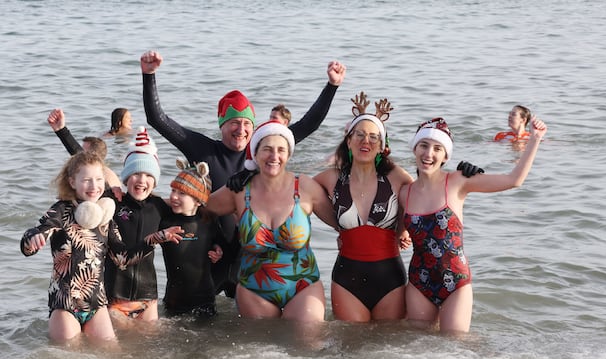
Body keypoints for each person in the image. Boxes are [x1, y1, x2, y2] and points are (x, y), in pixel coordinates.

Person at [140, 49, 346, 296]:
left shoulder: (263, 153)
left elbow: (307, 125)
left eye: (247, 123)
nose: (241, 129)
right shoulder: (202, 148)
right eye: (234, 123)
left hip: (248, 255)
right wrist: (149, 75)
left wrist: (332, 86)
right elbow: (157, 119)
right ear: (221, 125)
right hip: (210, 254)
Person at [399, 115, 548, 333]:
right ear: (414, 149)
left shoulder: (459, 181)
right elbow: (397, 228)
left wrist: (535, 139)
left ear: (445, 156)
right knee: (418, 348)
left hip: (456, 282)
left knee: (458, 349)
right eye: (423, 145)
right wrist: (400, 236)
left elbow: (513, 180)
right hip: (418, 282)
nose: (428, 154)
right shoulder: (405, 192)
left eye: (437, 148)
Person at [20, 151, 182, 343]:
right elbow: (33, 240)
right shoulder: (61, 210)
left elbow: (122, 260)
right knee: (68, 358)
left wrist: (156, 238)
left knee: (111, 356)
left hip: (97, 305)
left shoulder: (105, 218)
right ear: (73, 182)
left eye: (98, 179)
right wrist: (32, 239)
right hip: (65, 305)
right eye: (87, 180)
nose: (94, 186)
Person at [206, 121, 337, 321]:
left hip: (303, 287)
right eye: (267, 149)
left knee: (309, 344)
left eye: (281, 150)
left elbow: (343, 222)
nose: (274, 156)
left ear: (289, 154)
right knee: (261, 351)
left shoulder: (305, 187)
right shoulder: (240, 191)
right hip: (254, 291)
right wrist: (215, 242)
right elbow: (199, 211)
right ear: (255, 154)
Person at [313, 92, 414, 322]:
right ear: (348, 141)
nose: (365, 141)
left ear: (382, 146)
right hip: (347, 279)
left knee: (388, 351)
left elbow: (421, 199)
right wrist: (338, 227)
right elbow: (302, 193)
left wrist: (404, 230)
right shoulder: (332, 178)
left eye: (373, 137)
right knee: (351, 350)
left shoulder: (397, 178)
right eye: (359, 135)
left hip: (390, 278)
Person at [105, 127, 173, 322]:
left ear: (155, 180)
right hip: (115, 297)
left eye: (149, 175)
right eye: (136, 173)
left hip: (148, 299)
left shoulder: (159, 206)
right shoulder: (113, 204)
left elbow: (192, 208)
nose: (142, 180)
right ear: (126, 177)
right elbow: (89, 164)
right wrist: (62, 131)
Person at [160, 159, 224, 318]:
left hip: (205, 300)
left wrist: (218, 250)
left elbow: (221, 243)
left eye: (181, 193)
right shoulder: (165, 222)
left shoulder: (209, 221)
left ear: (198, 200)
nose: (174, 196)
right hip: (174, 301)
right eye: (173, 191)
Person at [46, 108, 123, 190]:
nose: (79, 156)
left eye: (83, 152)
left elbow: (76, 151)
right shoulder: (99, 174)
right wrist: (60, 129)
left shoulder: (105, 177)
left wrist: (61, 130)